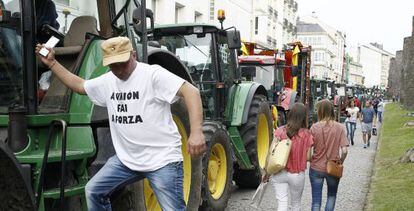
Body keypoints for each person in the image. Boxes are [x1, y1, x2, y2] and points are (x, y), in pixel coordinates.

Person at [35, 37, 206, 211]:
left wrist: (197, 132)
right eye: (113, 65)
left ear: (133, 55)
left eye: (122, 63)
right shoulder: (108, 80)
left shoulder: (152, 75)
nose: (118, 70)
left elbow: (191, 91)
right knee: (93, 190)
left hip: (161, 160)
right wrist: (52, 63)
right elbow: (80, 85)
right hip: (127, 161)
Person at [262, 103, 313, 211]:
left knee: (282, 203)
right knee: (296, 204)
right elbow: (308, 157)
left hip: (279, 172)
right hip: (297, 174)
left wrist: (266, 172)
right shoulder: (307, 134)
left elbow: (271, 152)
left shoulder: (280, 131)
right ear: (304, 117)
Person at [309, 99, 348, 211]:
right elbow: (345, 150)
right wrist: (340, 161)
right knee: (331, 196)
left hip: (316, 168)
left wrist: (311, 158)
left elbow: (309, 150)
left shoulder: (314, 127)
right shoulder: (339, 127)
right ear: (332, 111)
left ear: (320, 111)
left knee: (316, 201)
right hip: (333, 167)